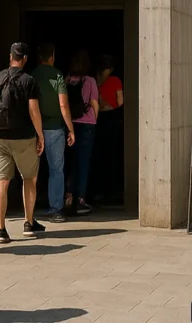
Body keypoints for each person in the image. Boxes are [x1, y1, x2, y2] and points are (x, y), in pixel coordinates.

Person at [0, 42, 45, 243]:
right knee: (29, 178)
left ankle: (0, 229)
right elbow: (33, 111)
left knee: (1, 182)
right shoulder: (28, 80)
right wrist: (40, 135)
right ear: (25, 59)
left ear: (10, 56)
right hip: (24, 138)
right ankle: (29, 223)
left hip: (1, 137)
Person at [31, 43, 75, 223]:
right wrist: (71, 128)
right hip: (55, 128)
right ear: (52, 56)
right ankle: (55, 209)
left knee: (31, 171)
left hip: (35, 129)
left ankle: (29, 210)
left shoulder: (32, 75)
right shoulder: (57, 75)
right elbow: (63, 104)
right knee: (56, 170)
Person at [63, 50, 99, 216]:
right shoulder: (90, 81)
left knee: (72, 163)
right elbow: (94, 103)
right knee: (84, 163)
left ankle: (68, 198)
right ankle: (81, 200)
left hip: (71, 125)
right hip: (87, 125)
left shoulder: (67, 80)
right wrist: (95, 118)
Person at [92, 55, 124, 205]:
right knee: (112, 154)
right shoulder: (115, 80)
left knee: (98, 154)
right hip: (111, 118)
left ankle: (98, 189)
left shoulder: (94, 81)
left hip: (97, 119)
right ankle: (112, 189)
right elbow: (120, 102)